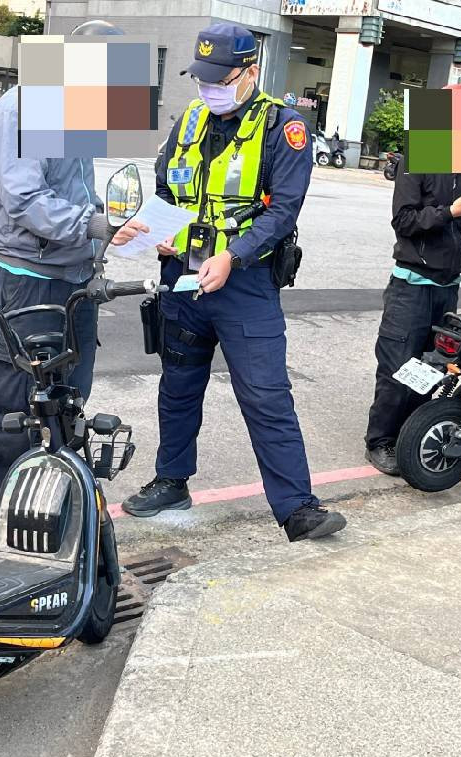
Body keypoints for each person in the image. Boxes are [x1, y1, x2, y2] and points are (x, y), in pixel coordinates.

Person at [121, 23, 346, 542]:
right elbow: (165, 187)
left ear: (250, 73)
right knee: (177, 388)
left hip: (243, 285)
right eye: (202, 79)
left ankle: (297, 508)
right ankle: (172, 480)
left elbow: (283, 212)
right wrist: (156, 230)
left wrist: (233, 255)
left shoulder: (283, 129)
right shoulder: (190, 120)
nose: (208, 89)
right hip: (182, 279)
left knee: (266, 396)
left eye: (220, 79)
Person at [0, 19, 149, 534]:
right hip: (28, 281)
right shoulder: (21, 108)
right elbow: (25, 201)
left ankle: (48, 495)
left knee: (66, 398)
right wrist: (92, 224)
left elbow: (79, 193)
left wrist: (116, 227)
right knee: (14, 400)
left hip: (73, 279)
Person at [364, 126, 461, 475]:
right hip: (411, 285)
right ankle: (380, 441)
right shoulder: (416, 158)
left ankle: (411, 431)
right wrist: (450, 210)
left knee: (432, 364)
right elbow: (403, 221)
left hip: (448, 285)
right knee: (398, 364)